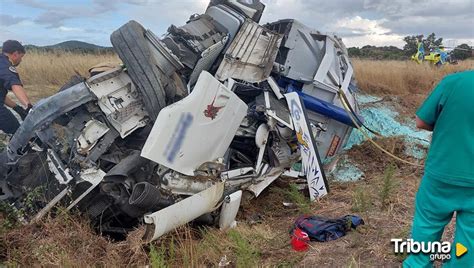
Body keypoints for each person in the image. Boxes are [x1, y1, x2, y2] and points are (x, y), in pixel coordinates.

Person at [404, 70, 474, 267]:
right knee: (470, 242)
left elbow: (421, 122)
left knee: (426, 227)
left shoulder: (455, 81)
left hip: (443, 172)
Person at [0, 40, 32, 135]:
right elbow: (15, 85)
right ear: (15, 54)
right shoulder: (5, 65)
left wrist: (17, 108)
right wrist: (28, 107)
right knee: (18, 133)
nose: (21, 60)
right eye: (21, 57)